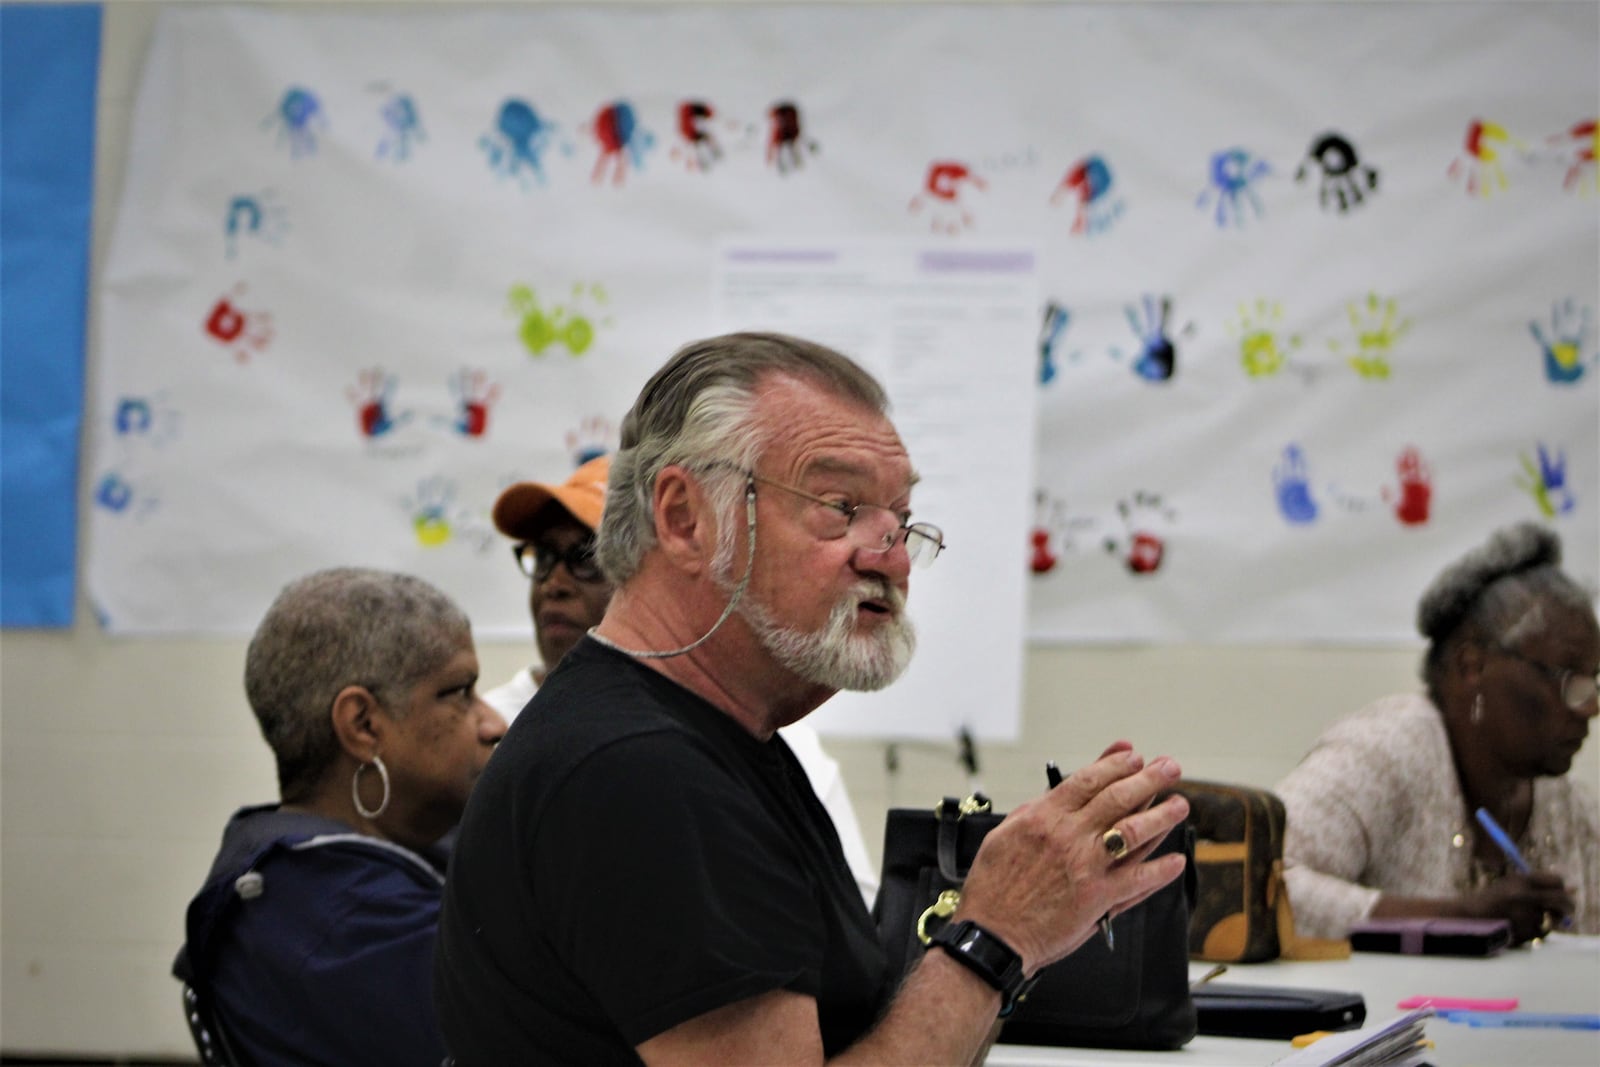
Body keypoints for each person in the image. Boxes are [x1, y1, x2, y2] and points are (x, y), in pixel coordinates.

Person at [434, 331, 1190, 1063]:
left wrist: (1021, 923)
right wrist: (995, 933)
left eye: (900, 519)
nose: (891, 555)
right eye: (840, 505)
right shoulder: (640, 774)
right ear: (684, 518)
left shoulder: (724, 739)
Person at [484, 452, 882, 906]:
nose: (553, 583)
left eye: (584, 557)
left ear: (655, 573)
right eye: (544, 557)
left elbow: (860, 914)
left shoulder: (779, 749)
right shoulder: (489, 733)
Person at [173, 568, 506, 1067]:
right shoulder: (342, 922)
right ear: (363, 725)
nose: (493, 722)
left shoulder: (319, 876)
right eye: (458, 692)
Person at [1277, 521, 1600, 945]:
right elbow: (1258, 882)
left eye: (1594, 681)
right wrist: (1457, 918)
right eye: (1568, 679)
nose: (1590, 707)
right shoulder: (1383, 751)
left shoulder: (1567, 806)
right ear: (1473, 668)